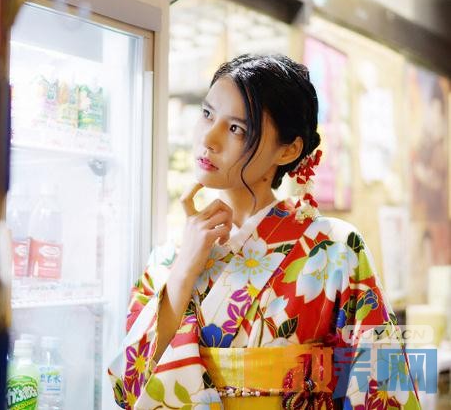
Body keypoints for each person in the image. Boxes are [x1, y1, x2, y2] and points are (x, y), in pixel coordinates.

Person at [108, 54, 421, 409]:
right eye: (207, 114)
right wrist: (183, 271)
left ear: (288, 150)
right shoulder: (172, 254)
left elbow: (381, 385)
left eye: (236, 129)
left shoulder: (334, 249)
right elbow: (127, 389)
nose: (208, 138)